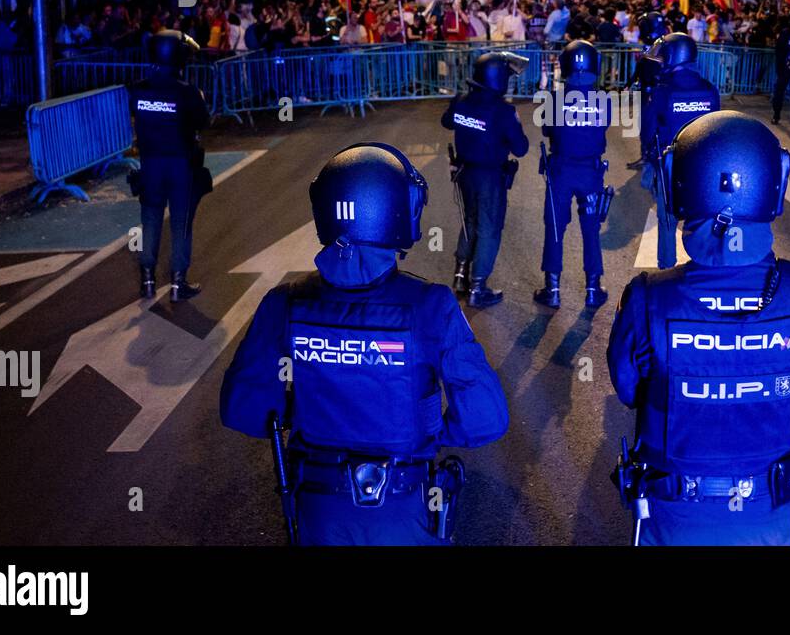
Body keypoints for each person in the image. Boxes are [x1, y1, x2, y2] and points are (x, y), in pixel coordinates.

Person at [219, 144, 509, 545]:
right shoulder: (431, 306)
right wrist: (429, 429)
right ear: (396, 212)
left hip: (319, 512)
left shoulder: (284, 302)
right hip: (403, 509)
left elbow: (243, 410)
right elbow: (486, 419)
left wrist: (309, 408)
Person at [608, 111, 790, 545]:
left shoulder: (647, 298)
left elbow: (629, 392)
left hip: (673, 519)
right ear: (774, 184)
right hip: (768, 517)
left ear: (677, 181)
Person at [443, 51, 531, 308]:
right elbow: (521, 148)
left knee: (469, 221)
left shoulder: (462, 101)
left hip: (464, 174)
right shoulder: (503, 111)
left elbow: (447, 121)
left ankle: (460, 275)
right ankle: (478, 287)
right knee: (489, 229)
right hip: (489, 177)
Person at [129, 30, 211, 301]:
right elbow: (203, 122)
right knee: (181, 224)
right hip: (180, 165)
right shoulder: (187, 92)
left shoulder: (139, 89)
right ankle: (178, 283)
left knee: (150, 221)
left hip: (150, 164)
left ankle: (148, 280)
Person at [534, 40, 612, 310]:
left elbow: (546, 131)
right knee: (591, 230)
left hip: (561, 172)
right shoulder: (603, 101)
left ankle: (552, 289)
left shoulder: (555, 100)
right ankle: (593, 289)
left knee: (555, 228)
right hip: (590, 173)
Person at [641, 33, 721, 269]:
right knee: (700, 220)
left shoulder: (662, 92)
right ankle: (703, 269)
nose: (662, 63)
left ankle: (667, 268)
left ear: (674, 58)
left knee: (667, 221)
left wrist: (648, 158)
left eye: (664, 59)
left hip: (669, 166)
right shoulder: (709, 89)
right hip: (702, 167)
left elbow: (647, 130)